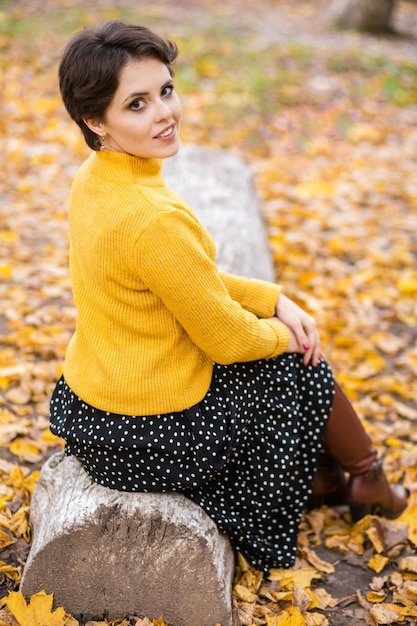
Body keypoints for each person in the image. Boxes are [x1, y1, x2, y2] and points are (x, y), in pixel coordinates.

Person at [50, 19, 408, 574]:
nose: (165, 112)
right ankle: (364, 479)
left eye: (165, 91)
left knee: (284, 354)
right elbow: (226, 337)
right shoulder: (153, 217)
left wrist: (273, 298)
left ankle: (338, 476)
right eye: (137, 104)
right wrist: (285, 334)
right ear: (96, 120)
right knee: (300, 365)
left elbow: (188, 279)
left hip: (95, 414)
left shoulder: (95, 179)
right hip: (146, 435)